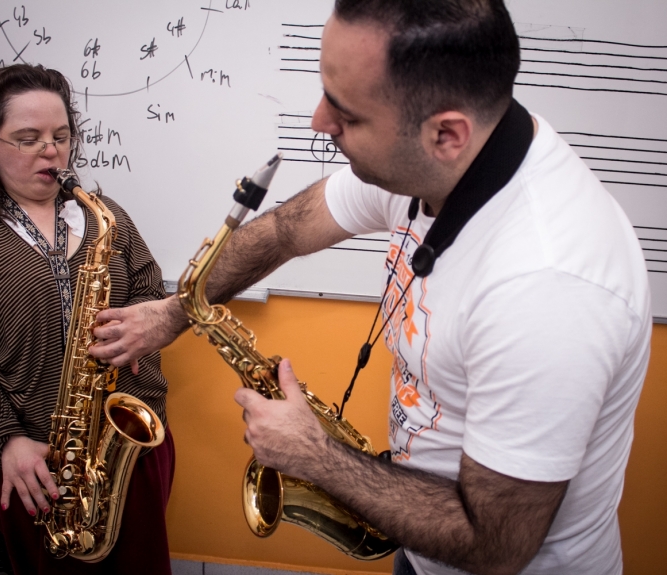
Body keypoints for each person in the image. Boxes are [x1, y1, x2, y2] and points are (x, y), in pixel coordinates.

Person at [88, 1, 651, 574]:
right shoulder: (438, 163)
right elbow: (286, 229)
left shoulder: (549, 290)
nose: (317, 122)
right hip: (420, 545)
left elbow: (494, 545)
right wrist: (174, 312)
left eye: (347, 116)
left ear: (446, 134)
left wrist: (316, 458)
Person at [0, 63, 174, 575]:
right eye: (28, 138)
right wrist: (9, 441)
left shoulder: (106, 215)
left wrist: (133, 329)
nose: (52, 150)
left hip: (129, 446)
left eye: (61, 136)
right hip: (32, 460)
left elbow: (152, 292)